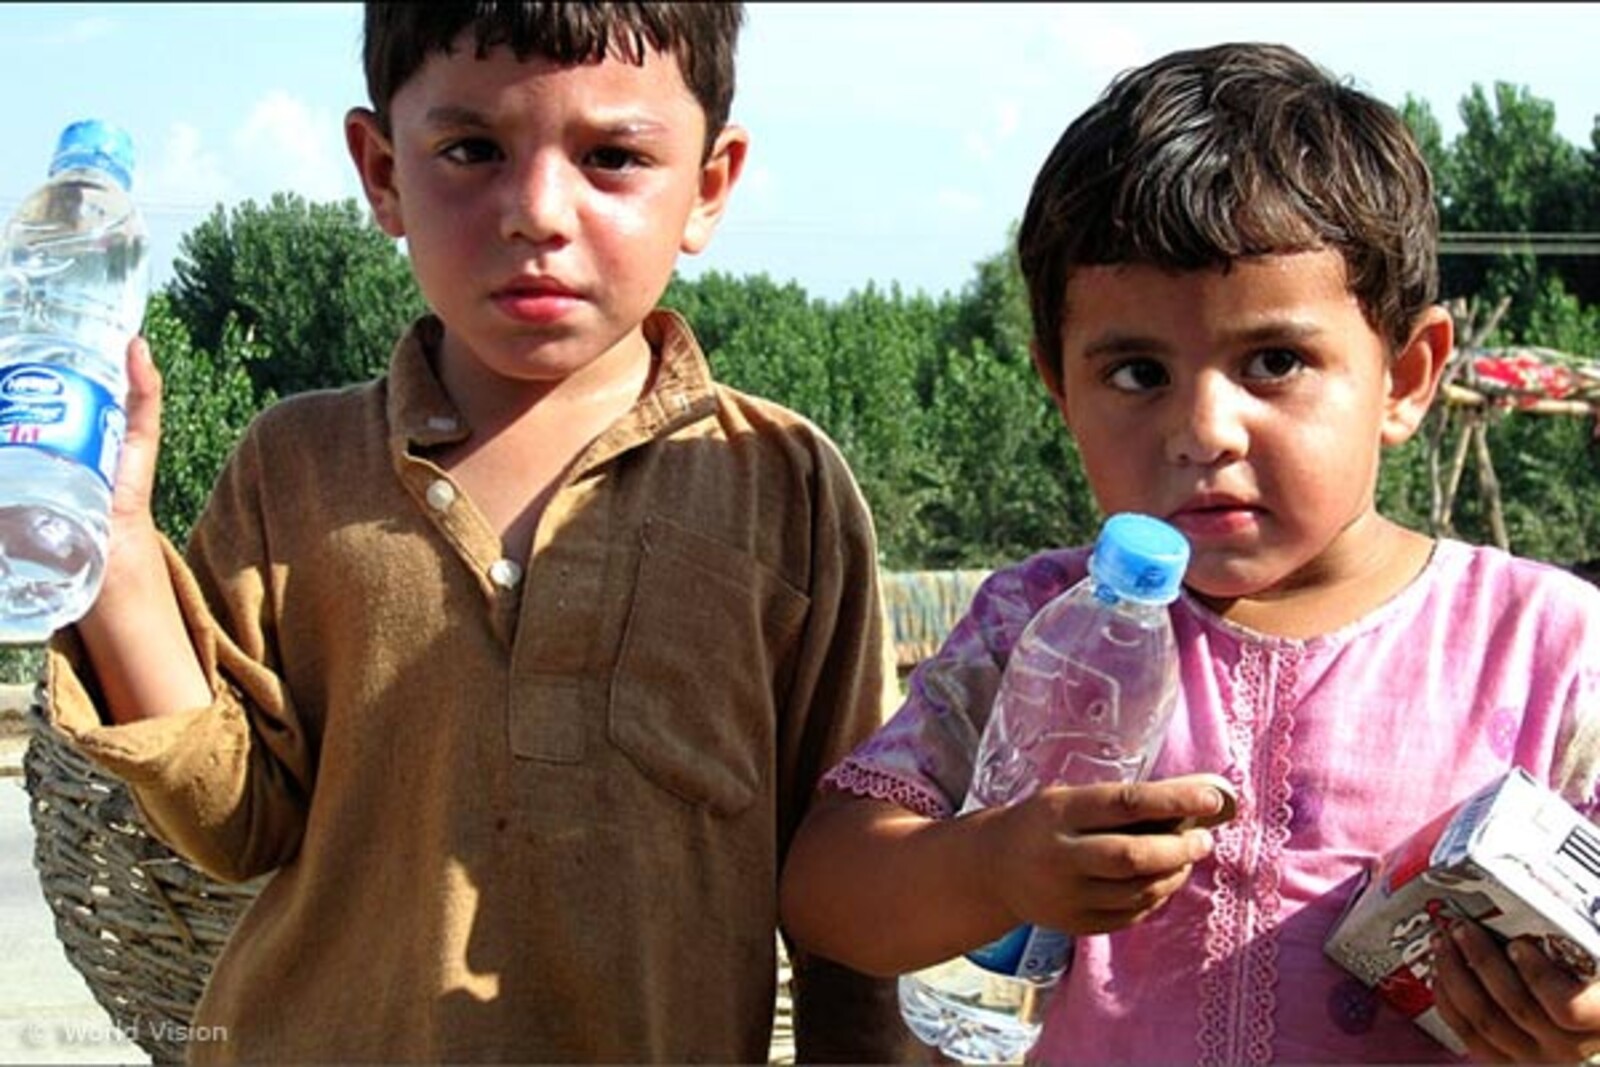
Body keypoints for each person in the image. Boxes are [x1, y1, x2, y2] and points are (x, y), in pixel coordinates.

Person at [42, 3, 918, 1062]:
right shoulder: (298, 464)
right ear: (380, 170)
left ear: (710, 184)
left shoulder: (776, 484)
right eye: (471, 150)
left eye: (612, 156)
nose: (536, 212)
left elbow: (849, 872)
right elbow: (236, 823)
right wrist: (119, 542)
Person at [778, 41, 1600, 1066]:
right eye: (1135, 371)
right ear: (1057, 386)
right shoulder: (1037, 621)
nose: (1202, 428)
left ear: (1405, 375)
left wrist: (1576, 1020)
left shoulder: (1547, 647)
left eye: (1274, 361)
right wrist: (992, 869)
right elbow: (827, 887)